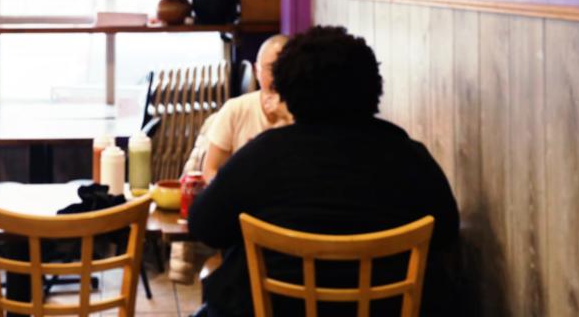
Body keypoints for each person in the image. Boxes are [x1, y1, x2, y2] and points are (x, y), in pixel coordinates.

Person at [188, 26, 460, 317]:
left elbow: (204, 225)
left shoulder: (261, 155)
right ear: (371, 87)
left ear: (289, 90)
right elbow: (446, 232)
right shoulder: (409, 156)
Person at [201, 33, 291, 183]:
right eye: (271, 68)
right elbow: (210, 170)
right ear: (257, 71)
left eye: (285, 67)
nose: (278, 76)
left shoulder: (303, 115)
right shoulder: (235, 109)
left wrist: (288, 117)